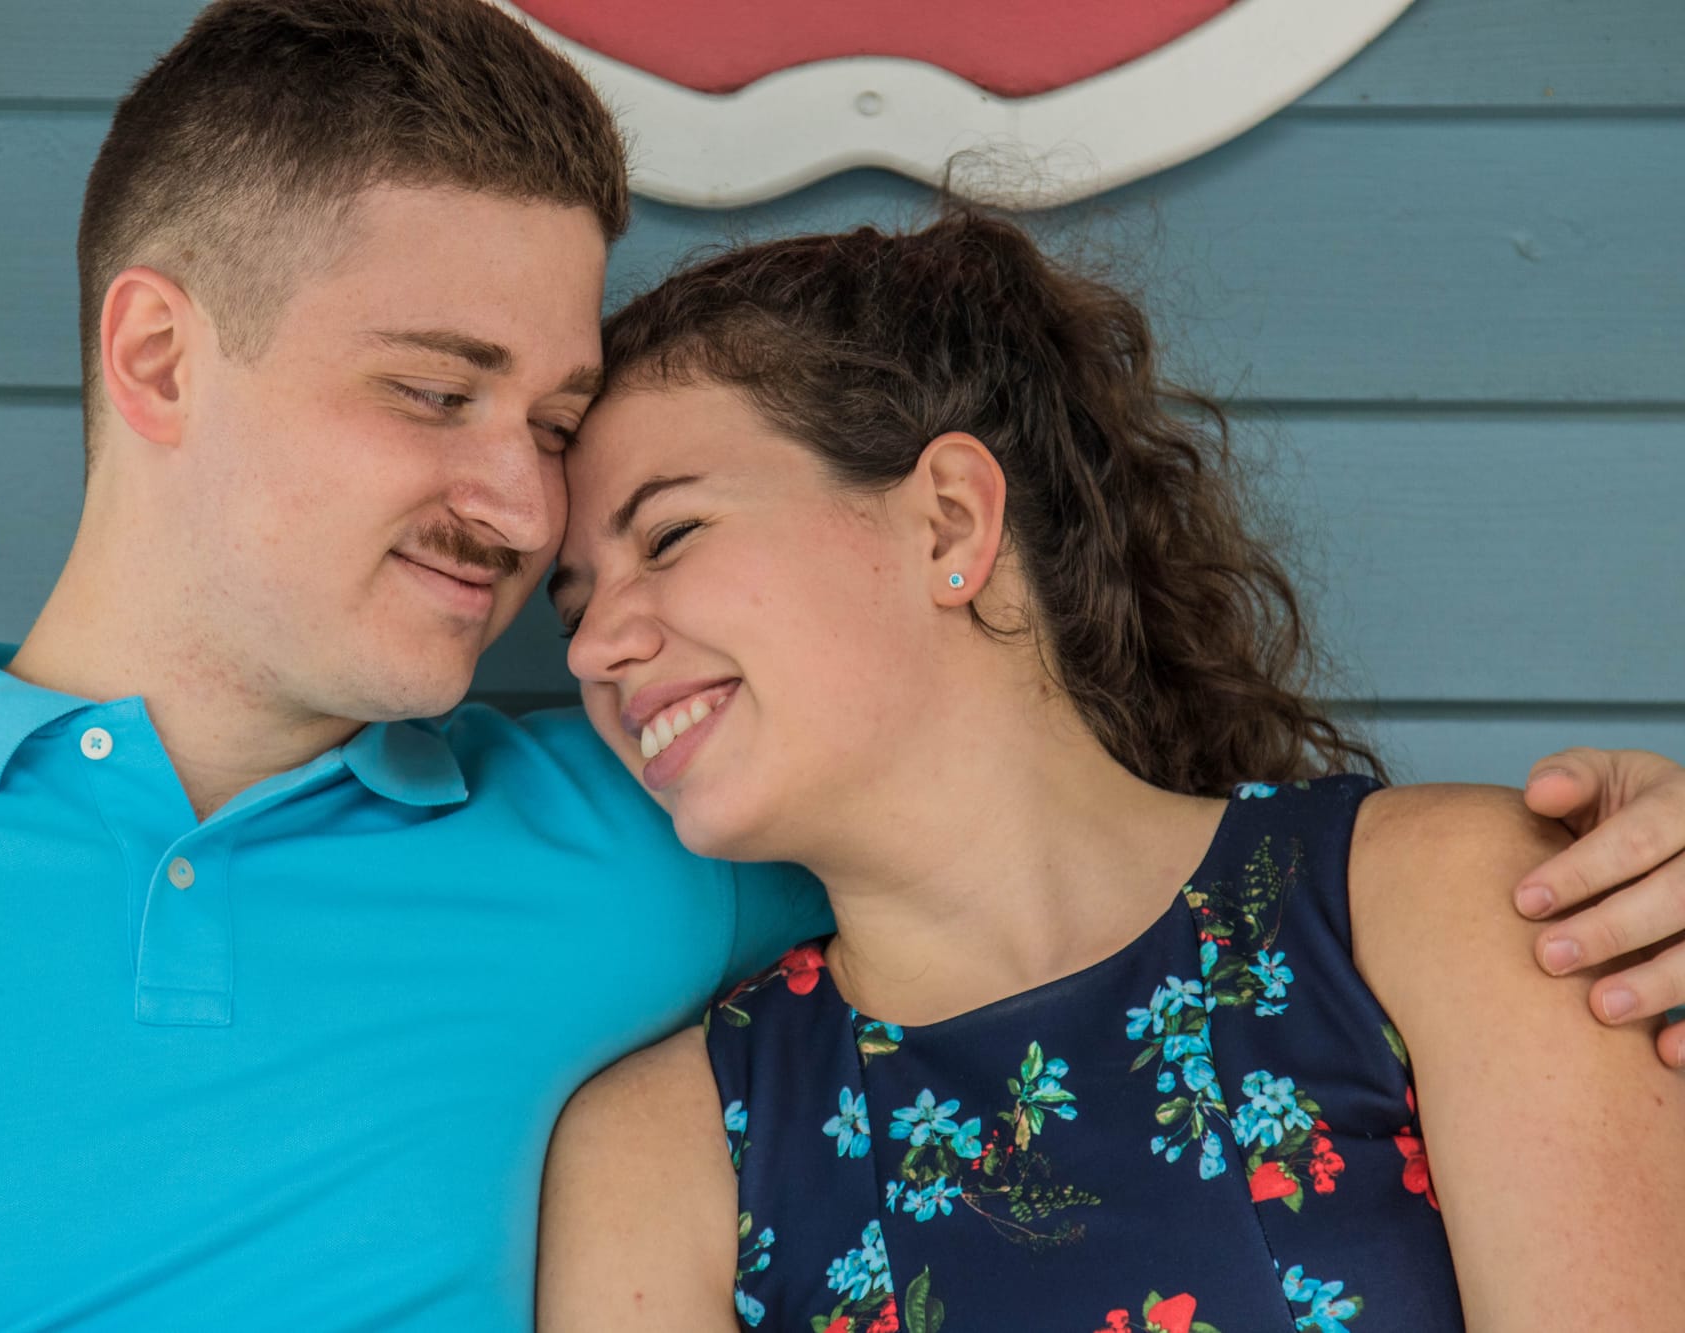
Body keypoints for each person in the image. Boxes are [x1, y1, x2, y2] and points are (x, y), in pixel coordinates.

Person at [0, 1, 1678, 1327]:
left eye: (554, 424)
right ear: (156, 357)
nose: (521, 512)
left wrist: (1639, 867)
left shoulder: (656, 820)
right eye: (435, 389)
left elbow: (1029, 830)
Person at [536, 210, 1685, 1330]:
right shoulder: (666, 1158)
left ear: (946, 522)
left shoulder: (1450, 901)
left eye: (669, 535)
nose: (592, 651)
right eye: (573, 608)